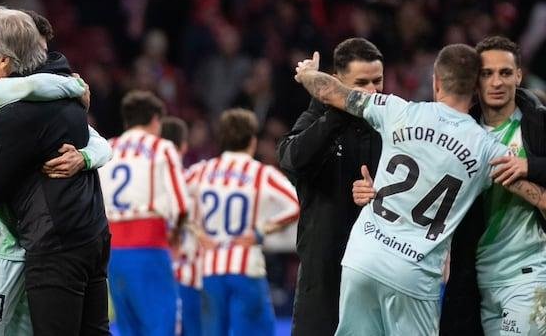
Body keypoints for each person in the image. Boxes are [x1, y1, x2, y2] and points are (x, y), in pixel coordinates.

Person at [291, 45, 546, 335]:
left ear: (436, 82)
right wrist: (531, 169)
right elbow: (537, 197)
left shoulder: (397, 109)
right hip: (413, 273)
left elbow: (331, 92)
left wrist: (307, 73)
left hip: (362, 258)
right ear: (476, 88)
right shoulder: (487, 149)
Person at [0, 7, 112, 336]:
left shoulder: (14, 111)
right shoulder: (68, 98)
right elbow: (98, 140)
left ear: (5, 59)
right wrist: (74, 86)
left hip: (31, 243)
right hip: (89, 233)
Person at [277, 37, 384, 336]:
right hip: (322, 275)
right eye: (361, 83)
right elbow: (291, 160)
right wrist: (335, 106)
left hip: (377, 271)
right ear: (337, 81)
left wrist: (380, 194)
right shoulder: (317, 119)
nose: (372, 91)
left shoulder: (390, 126)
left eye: (377, 81)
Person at [185, 109, 300, 336]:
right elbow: (295, 205)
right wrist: (261, 231)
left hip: (209, 268)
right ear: (252, 141)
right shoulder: (261, 173)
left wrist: (197, 232)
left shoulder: (202, 170)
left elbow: (174, 200)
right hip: (247, 267)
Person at [98, 91, 189, 336]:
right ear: (156, 120)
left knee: (129, 328)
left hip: (113, 251)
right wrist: (175, 235)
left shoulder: (107, 147)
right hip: (150, 246)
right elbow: (181, 205)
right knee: (161, 325)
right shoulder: (162, 148)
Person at [161, 116, 201, 336]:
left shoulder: (150, 187)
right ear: (184, 146)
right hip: (189, 275)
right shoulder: (195, 180)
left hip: (157, 271)